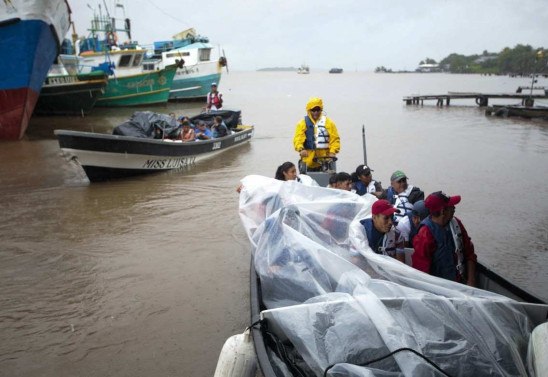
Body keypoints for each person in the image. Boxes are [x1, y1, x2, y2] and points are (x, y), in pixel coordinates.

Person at [412, 191, 477, 286]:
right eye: (451, 206)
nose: (454, 208)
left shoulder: (456, 223)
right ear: (443, 211)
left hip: (462, 283)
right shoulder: (425, 234)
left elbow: (469, 253)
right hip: (441, 288)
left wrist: (471, 280)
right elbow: (421, 270)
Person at [293, 97, 340, 171]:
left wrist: (332, 152)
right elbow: (298, 139)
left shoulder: (329, 123)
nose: (316, 112)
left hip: (326, 160)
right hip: (308, 160)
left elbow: (335, 139)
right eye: (313, 110)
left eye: (318, 110)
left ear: (321, 110)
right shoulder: (302, 124)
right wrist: (301, 149)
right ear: (309, 110)